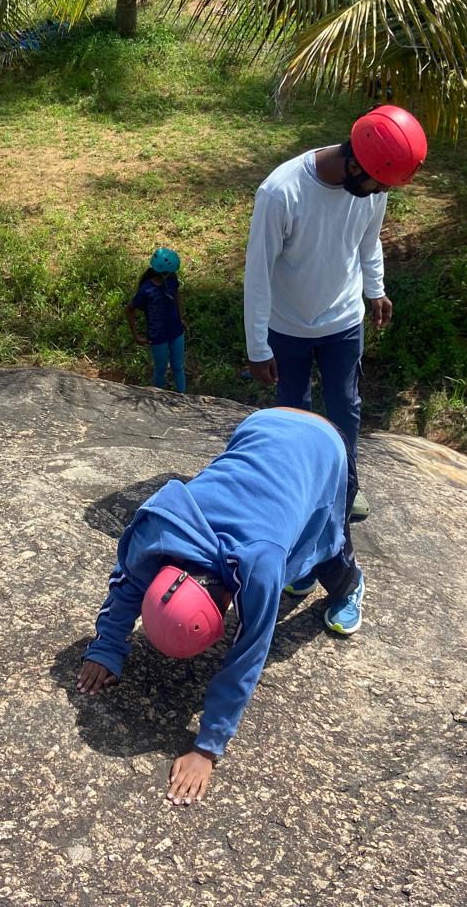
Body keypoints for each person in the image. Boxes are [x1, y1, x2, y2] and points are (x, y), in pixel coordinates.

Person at [76, 407, 363, 805]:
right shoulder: (160, 528)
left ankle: (350, 587)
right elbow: (128, 584)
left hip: (323, 444)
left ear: (229, 600)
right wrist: (106, 647)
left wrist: (208, 747)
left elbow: (250, 651)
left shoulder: (257, 562)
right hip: (260, 423)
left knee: (328, 539)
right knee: (286, 532)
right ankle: (301, 568)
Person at [243, 105, 427, 521]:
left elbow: (368, 240)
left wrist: (375, 288)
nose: (382, 191)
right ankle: (298, 491)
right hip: (288, 327)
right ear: (354, 163)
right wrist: (258, 347)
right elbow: (258, 272)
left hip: (343, 322)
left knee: (346, 405)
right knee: (294, 412)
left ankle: (345, 484)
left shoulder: (372, 184)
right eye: (379, 183)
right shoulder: (280, 192)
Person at [125, 247, 188, 393]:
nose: (173, 274)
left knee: (178, 367)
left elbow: (177, 295)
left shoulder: (172, 280)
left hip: (176, 332)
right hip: (158, 336)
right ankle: (157, 397)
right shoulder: (146, 290)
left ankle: (183, 397)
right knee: (160, 369)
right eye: (170, 272)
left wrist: (181, 318)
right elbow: (129, 310)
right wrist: (136, 335)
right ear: (163, 272)